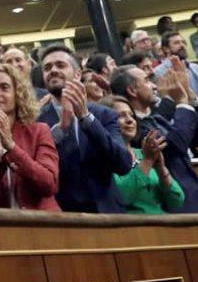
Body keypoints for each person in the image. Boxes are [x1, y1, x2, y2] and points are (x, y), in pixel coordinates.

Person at [36, 44, 133, 212]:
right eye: (47, 68)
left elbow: (122, 164)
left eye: (60, 65)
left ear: (78, 74)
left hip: (109, 214)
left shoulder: (105, 115)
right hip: (65, 218)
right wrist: (59, 132)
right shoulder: (36, 121)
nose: (53, 70)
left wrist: (86, 118)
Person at [110, 63, 198, 212]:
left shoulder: (159, 115)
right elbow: (175, 145)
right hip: (172, 206)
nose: (154, 86)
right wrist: (181, 103)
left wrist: (190, 97)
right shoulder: (133, 129)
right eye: (146, 81)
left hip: (196, 197)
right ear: (132, 90)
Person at [0, 62, 59, 211]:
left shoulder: (39, 131)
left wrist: (12, 149)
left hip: (42, 225)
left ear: (18, 94)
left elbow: (48, 184)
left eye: (4, 87)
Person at [103, 96, 184, 213]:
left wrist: (161, 169)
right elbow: (122, 198)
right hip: (132, 228)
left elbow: (176, 201)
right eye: (120, 116)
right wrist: (147, 162)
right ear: (105, 121)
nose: (130, 120)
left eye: (131, 115)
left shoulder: (144, 153)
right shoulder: (103, 158)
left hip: (163, 225)